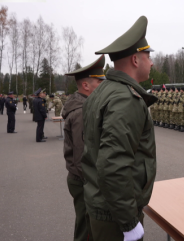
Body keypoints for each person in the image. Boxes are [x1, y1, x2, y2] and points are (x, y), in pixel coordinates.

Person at [82, 16, 157, 241]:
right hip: (114, 214)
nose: (151, 62)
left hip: (104, 203)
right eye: (148, 56)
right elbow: (113, 164)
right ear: (135, 59)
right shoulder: (125, 99)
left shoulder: (103, 92)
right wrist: (128, 222)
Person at [63, 55, 106, 241]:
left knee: (84, 224)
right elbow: (83, 156)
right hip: (84, 181)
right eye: (99, 81)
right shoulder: (82, 111)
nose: (103, 85)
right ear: (86, 86)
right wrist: (94, 186)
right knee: (87, 230)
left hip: (81, 179)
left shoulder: (83, 105)